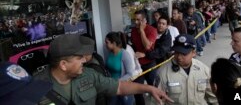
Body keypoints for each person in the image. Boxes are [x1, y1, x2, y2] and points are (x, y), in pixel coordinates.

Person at [34, 34, 173, 105]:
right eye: (79, 58)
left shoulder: (89, 74)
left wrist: (149, 89)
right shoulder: (34, 86)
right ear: (63, 65)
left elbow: (119, 87)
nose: (84, 60)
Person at [152, 34, 218, 105]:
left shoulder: (204, 70)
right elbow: (156, 101)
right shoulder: (163, 72)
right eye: (176, 52)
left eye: (183, 53)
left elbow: (213, 97)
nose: (179, 57)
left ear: (193, 53)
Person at [131, 10, 157, 105]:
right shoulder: (133, 30)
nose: (136, 22)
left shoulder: (152, 30)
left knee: (153, 88)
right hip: (138, 64)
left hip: (149, 63)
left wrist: (142, 30)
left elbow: (147, 46)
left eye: (138, 20)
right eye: (134, 20)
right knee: (137, 91)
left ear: (144, 20)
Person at [105, 32, 135, 105]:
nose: (105, 45)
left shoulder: (124, 54)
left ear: (114, 43)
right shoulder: (110, 53)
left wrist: (117, 81)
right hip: (112, 88)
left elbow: (130, 74)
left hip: (123, 87)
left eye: (107, 42)